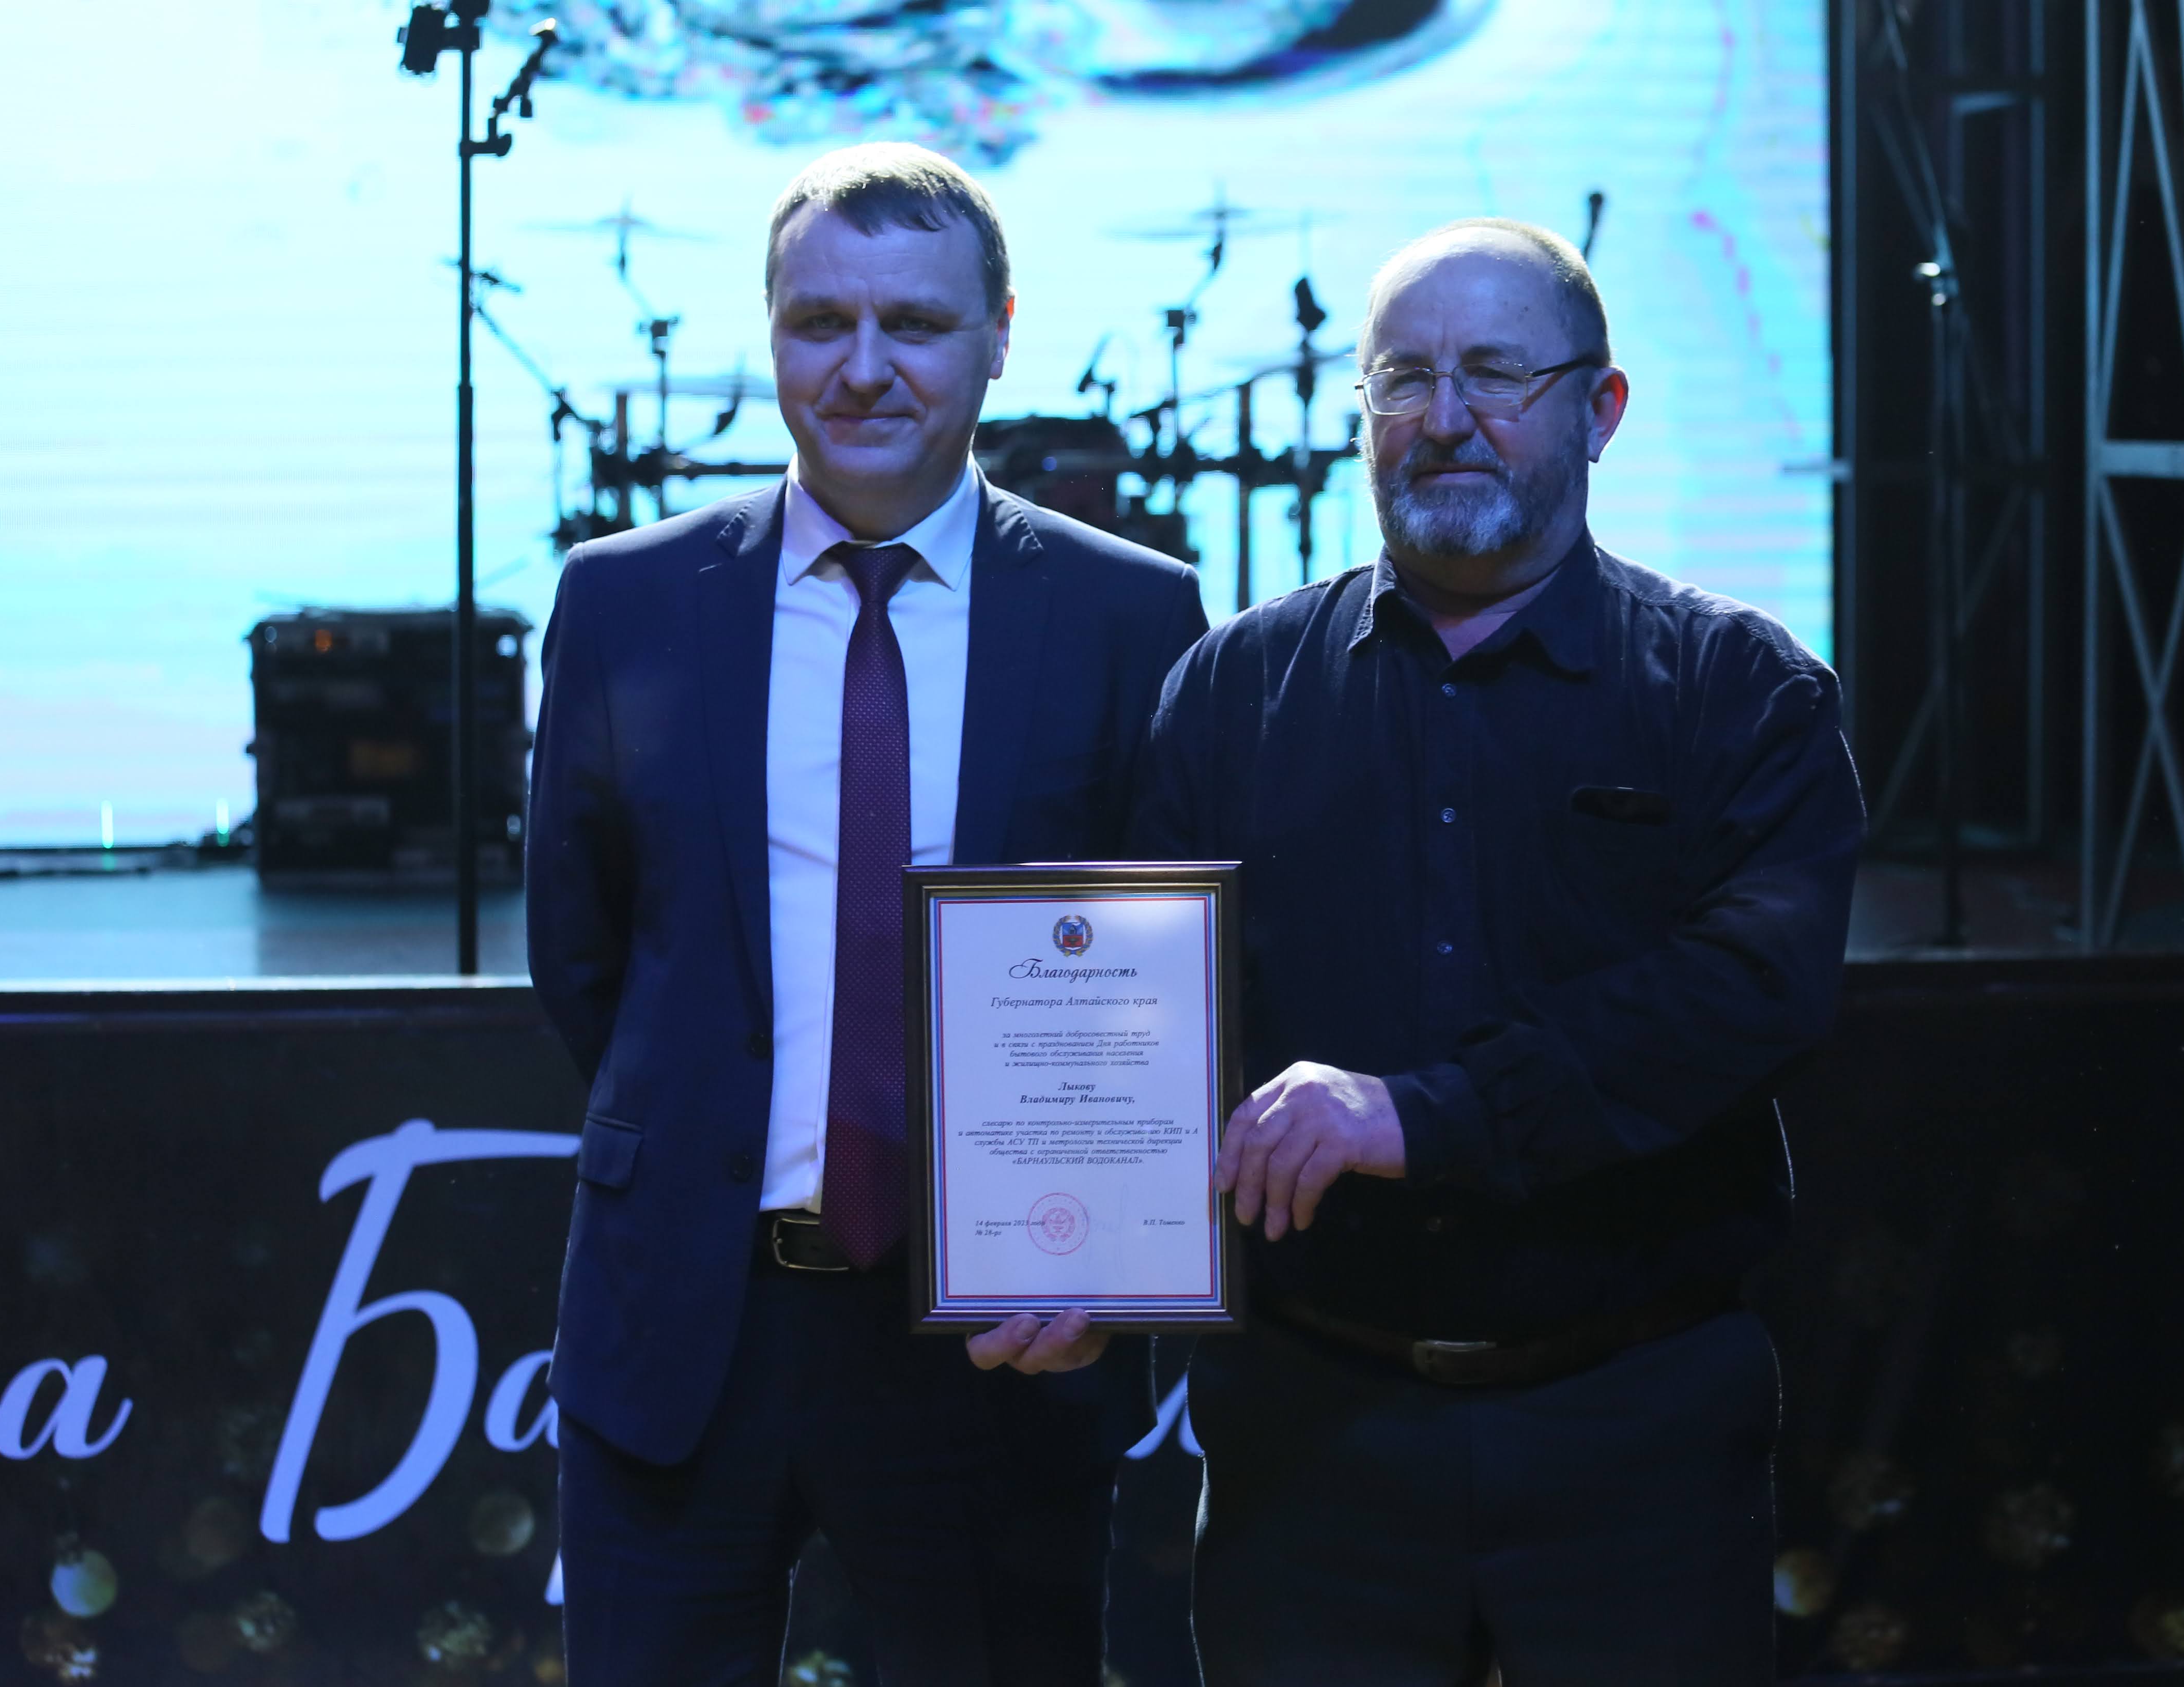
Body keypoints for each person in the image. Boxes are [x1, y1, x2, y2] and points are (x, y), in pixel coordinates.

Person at [1131, 219, 1863, 1684]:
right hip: (1311, 1431)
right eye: (1404, 378)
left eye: (1496, 374)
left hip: (1638, 1430)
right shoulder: (1231, 689)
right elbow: (1141, 1027)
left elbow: (1747, 995)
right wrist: (1069, 1240)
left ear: (1600, 409)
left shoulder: (1736, 687)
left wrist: (1421, 1116)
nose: (1446, 417)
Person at [528, 142, 1209, 1685]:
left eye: (913, 324)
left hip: (997, 1330)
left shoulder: (1130, 613)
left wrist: (1106, 1245)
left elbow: (1157, 978)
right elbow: (583, 949)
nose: (862, 367)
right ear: (771, 331)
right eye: (819, 322)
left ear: (999, 335)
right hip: (686, 1316)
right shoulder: (628, 600)